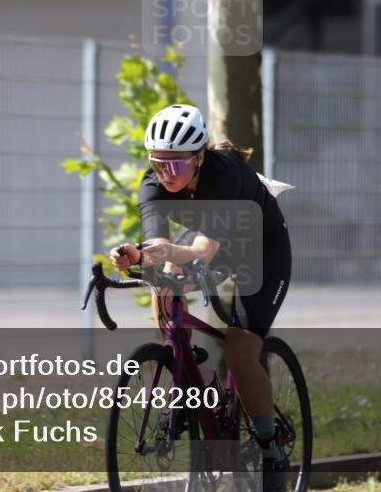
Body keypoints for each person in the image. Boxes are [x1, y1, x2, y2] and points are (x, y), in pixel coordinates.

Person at [109, 103, 292, 490]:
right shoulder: (153, 183)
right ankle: (187, 368)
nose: (166, 174)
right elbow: (159, 244)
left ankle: (270, 448)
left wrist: (164, 255)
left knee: (242, 351)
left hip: (262, 250)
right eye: (159, 164)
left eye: (176, 165)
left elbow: (204, 251)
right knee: (162, 278)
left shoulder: (224, 174)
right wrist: (137, 255)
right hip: (216, 245)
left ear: (200, 156)